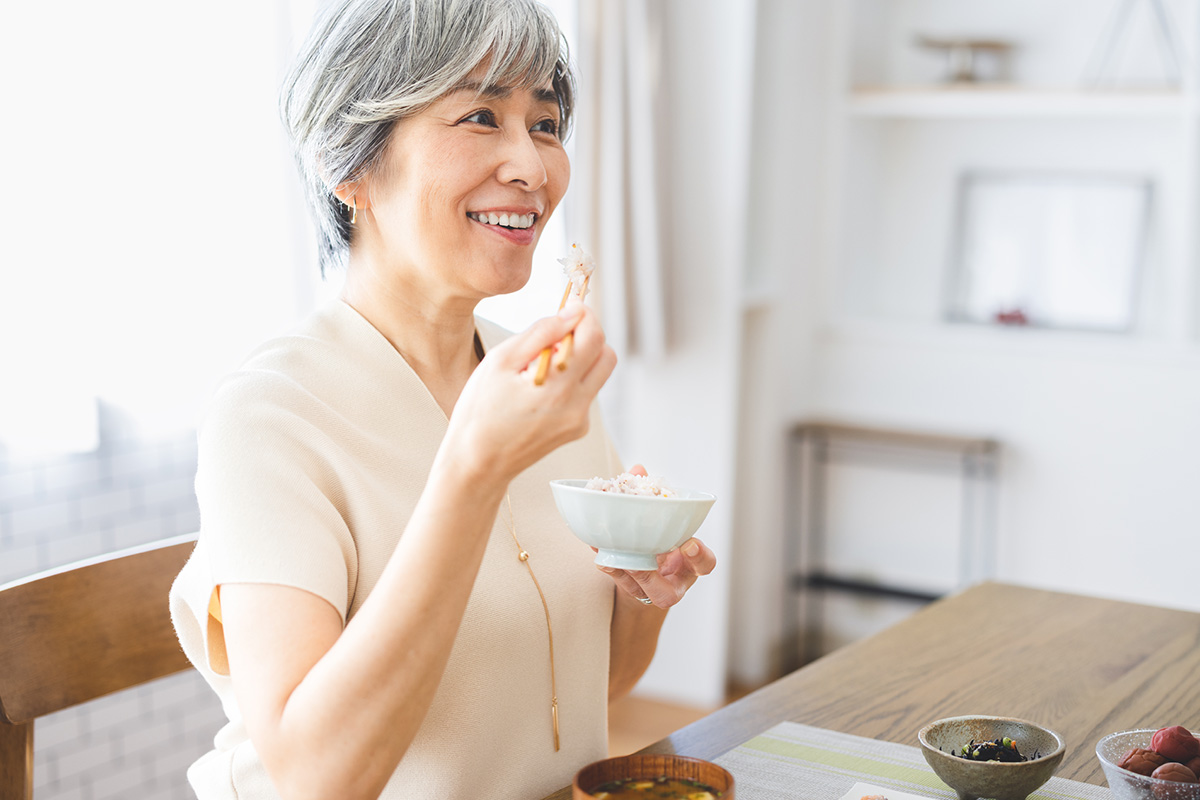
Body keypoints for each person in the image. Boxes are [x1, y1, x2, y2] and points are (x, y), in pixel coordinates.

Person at [167, 1, 716, 799]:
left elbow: (587, 692)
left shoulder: (544, 378)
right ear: (350, 164)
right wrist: (472, 473)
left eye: (546, 124)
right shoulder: (269, 419)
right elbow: (318, 780)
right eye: (481, 116)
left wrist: (645, 599)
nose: (532, 167)